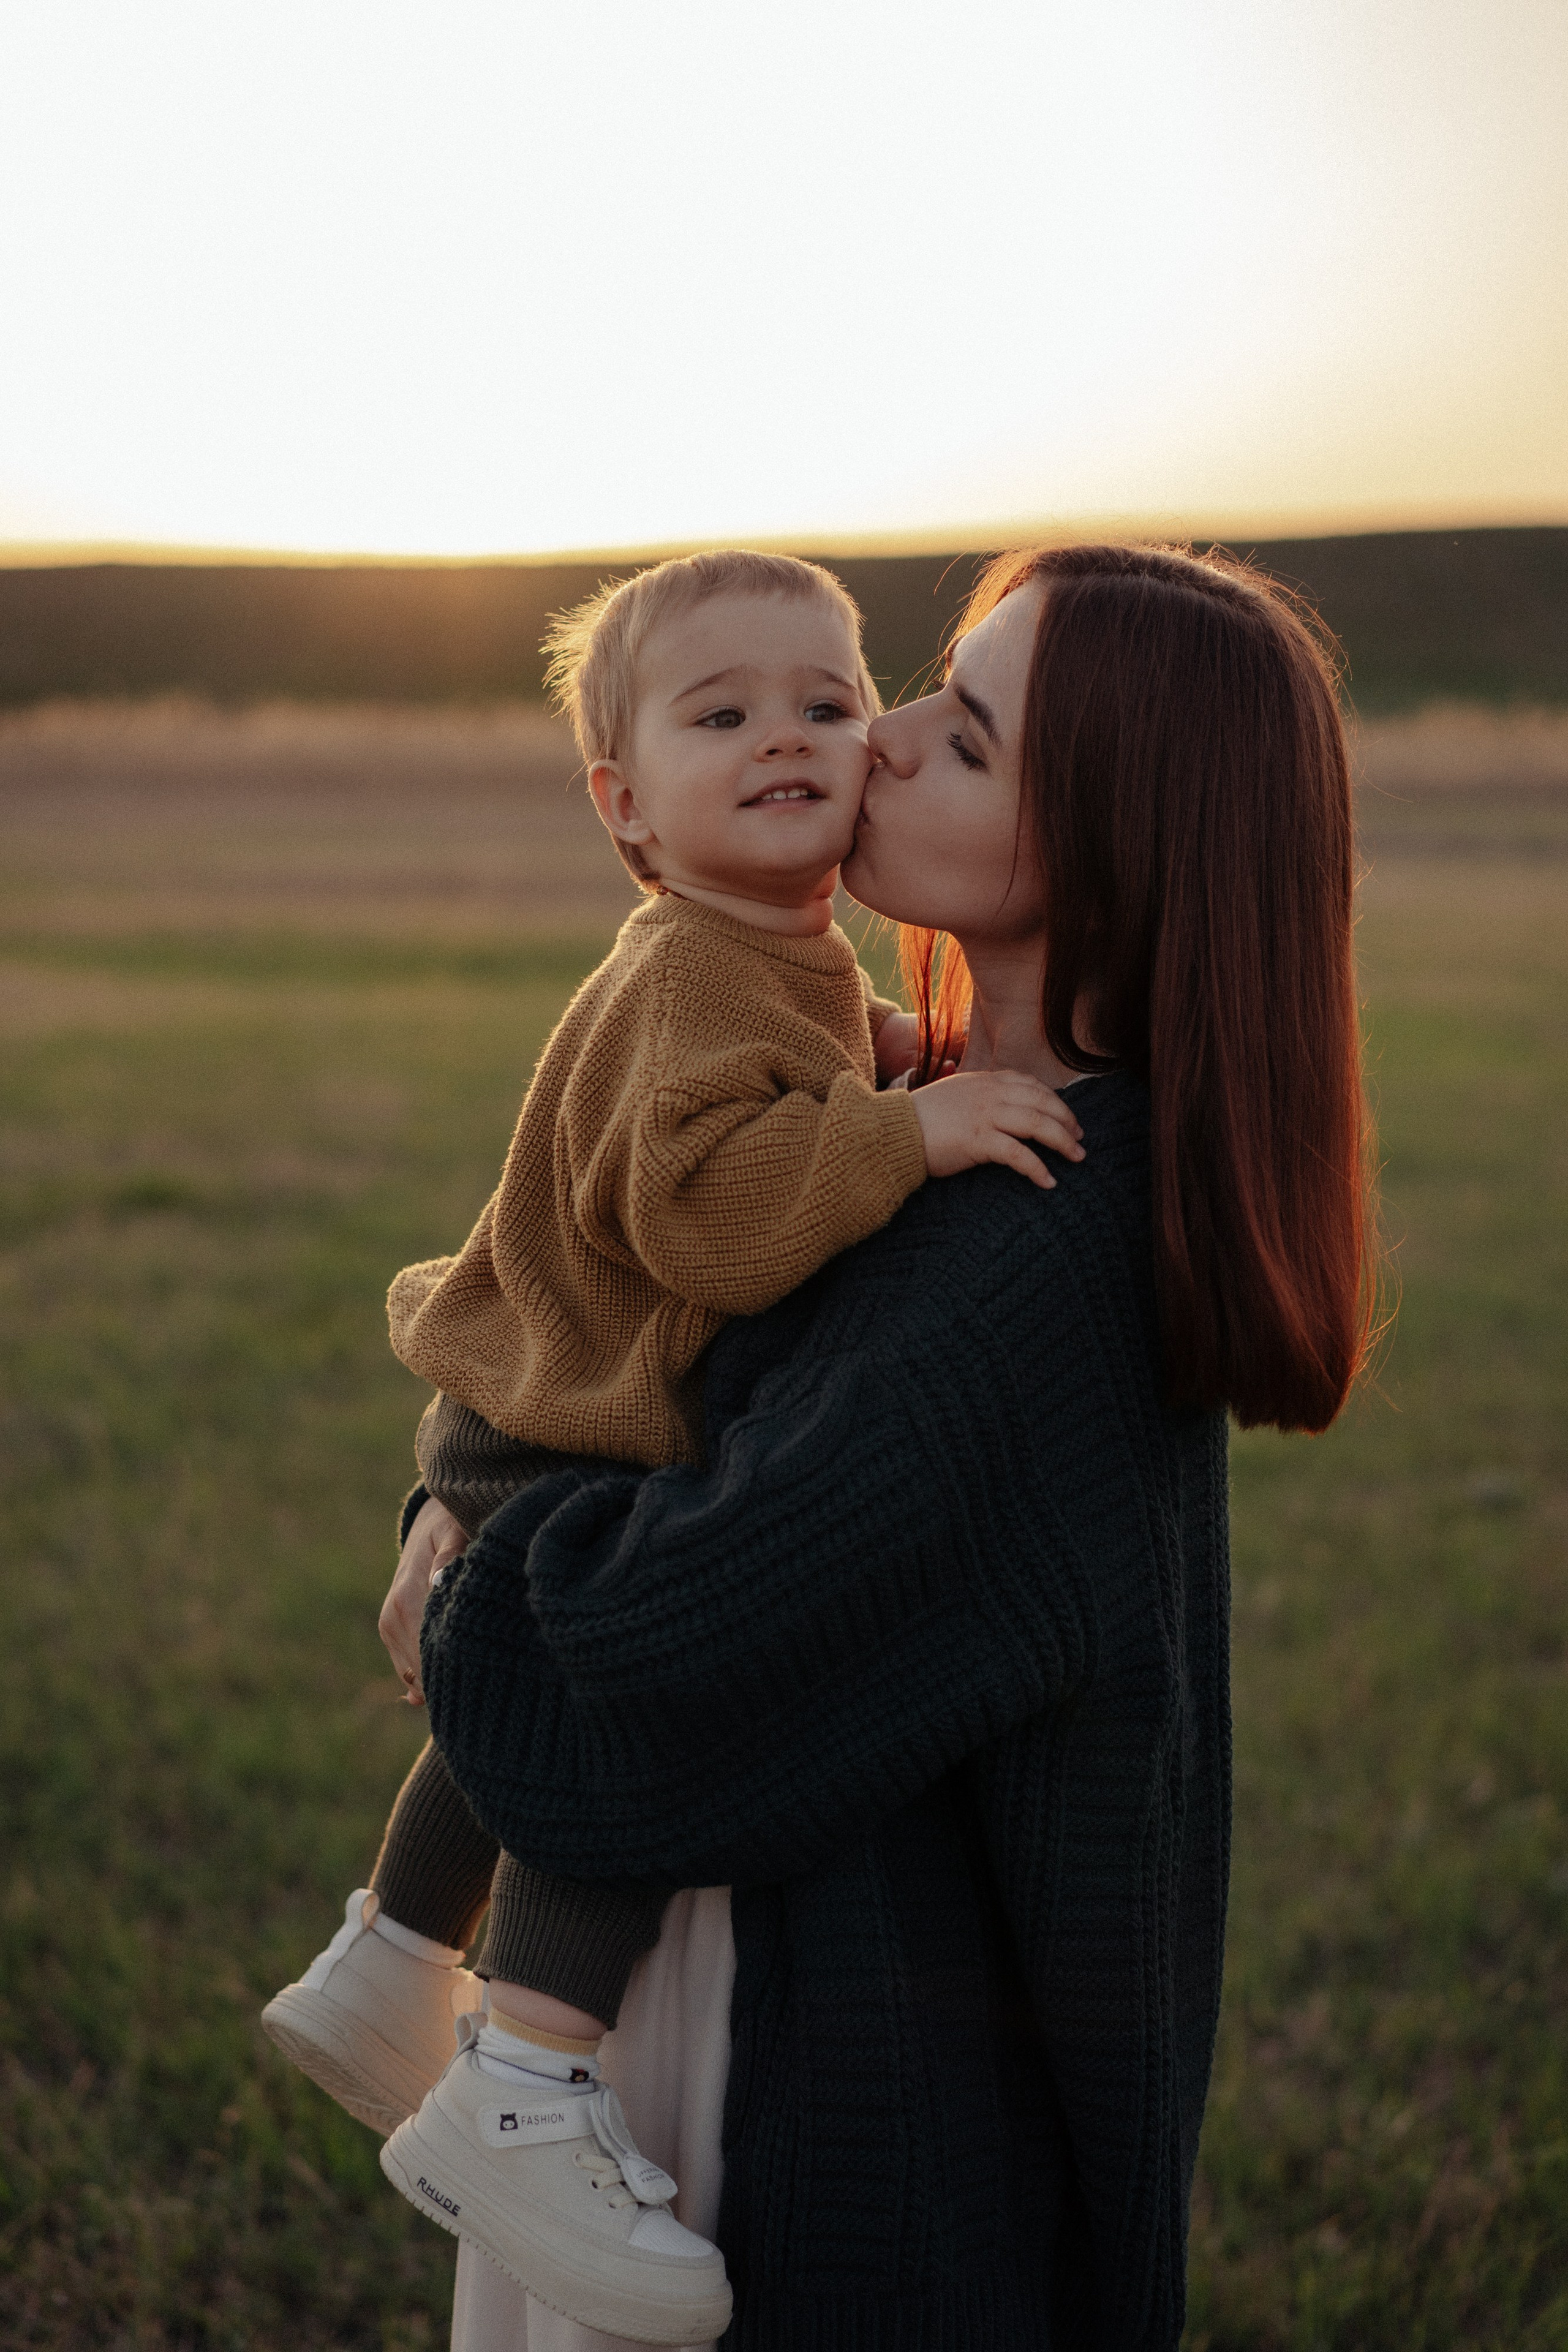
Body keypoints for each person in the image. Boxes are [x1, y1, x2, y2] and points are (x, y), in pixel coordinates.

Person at [380, 541, 1379, 2351]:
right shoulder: (908, 1123)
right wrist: (464, 1483)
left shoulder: (1034, 1260)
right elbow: (650, 1359)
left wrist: (473, 1563)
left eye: (967, 737)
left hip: (825, 2153)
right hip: (707, 2043)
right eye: (924, 684)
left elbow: (645, 1655)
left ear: (1120, 851)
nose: (878, 740)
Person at [262, 548, 1084, 2346]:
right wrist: (906, 1134)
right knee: (612, 1722)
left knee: (553, 1699)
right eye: (722, 716)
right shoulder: (704, 973)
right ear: (626, 806)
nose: (790, 738)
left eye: (825, 700)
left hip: (537, 1404)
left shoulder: (759, 959)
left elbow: (771, 1095)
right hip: (571, 1421)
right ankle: (522, 2082)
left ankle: (392, 1957)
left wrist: (878, 1066)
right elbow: (716, 1219)